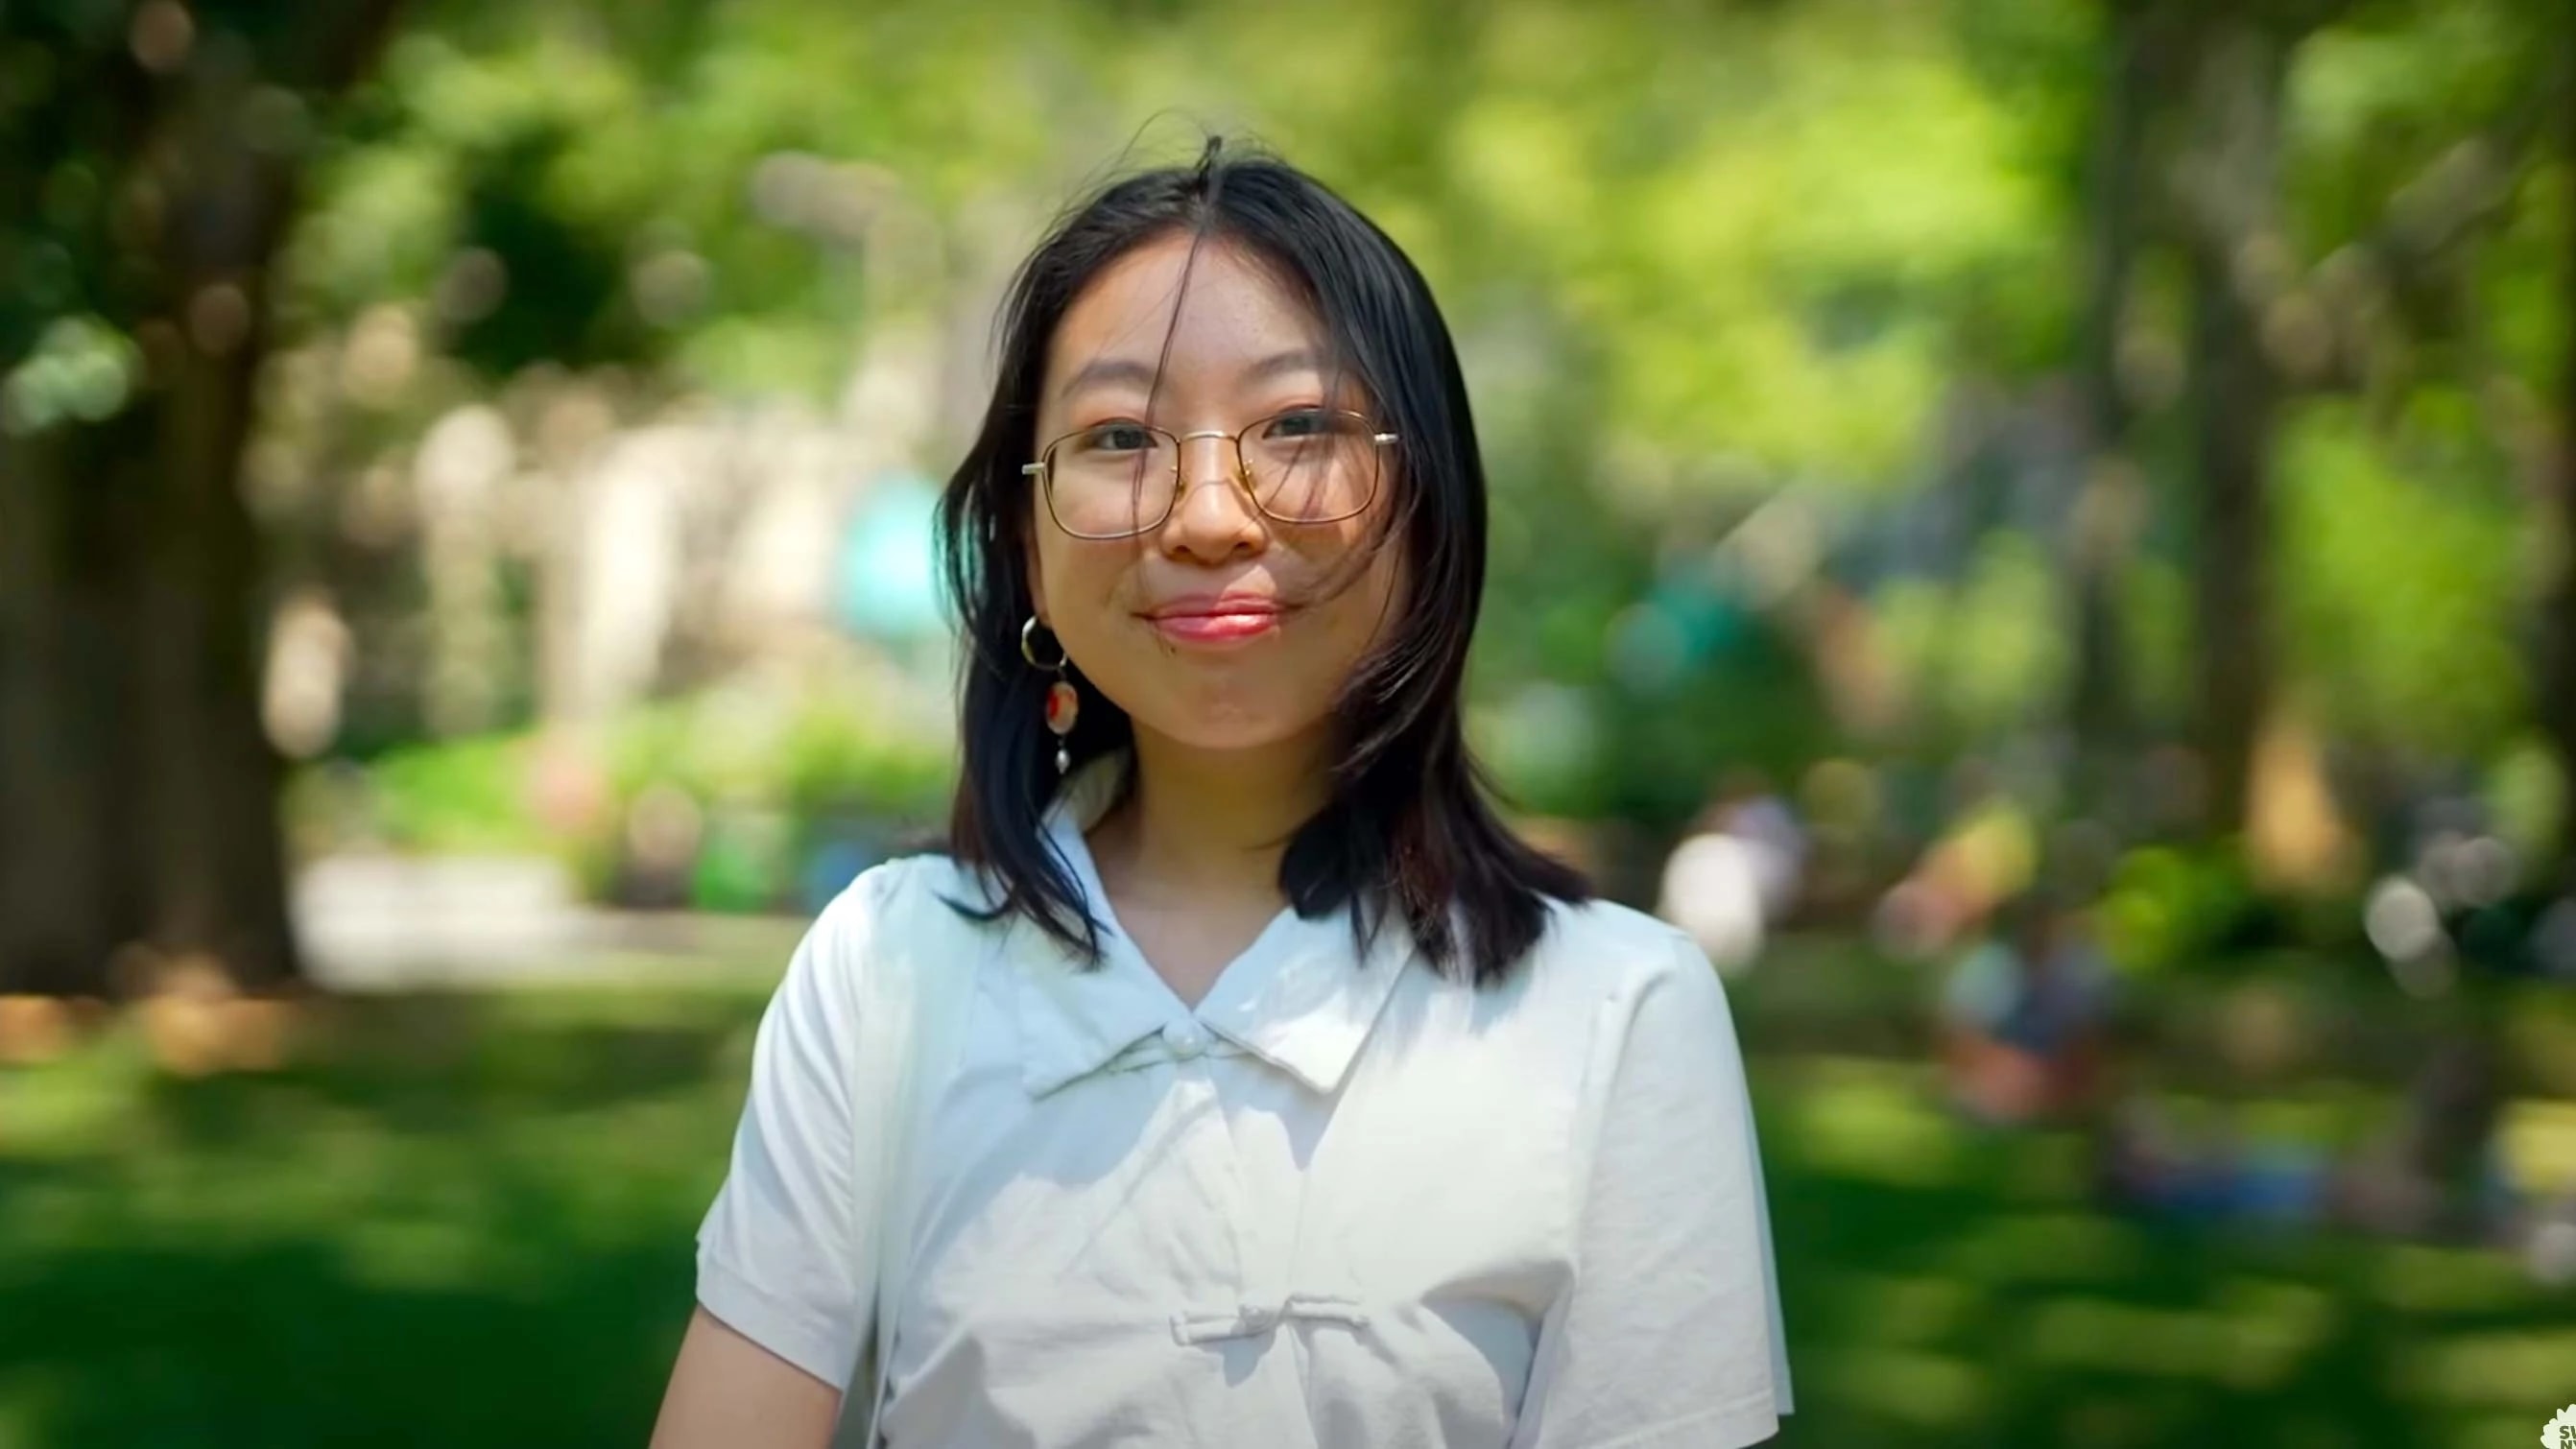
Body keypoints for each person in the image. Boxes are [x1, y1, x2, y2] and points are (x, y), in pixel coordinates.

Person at [651, 140, 1793, 1449]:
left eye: (1298, 425)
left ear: (1426, 500)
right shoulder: (886, 967)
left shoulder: (1616, 1011)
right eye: (1120, 436)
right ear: (1022, 531)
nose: (1207, 516)